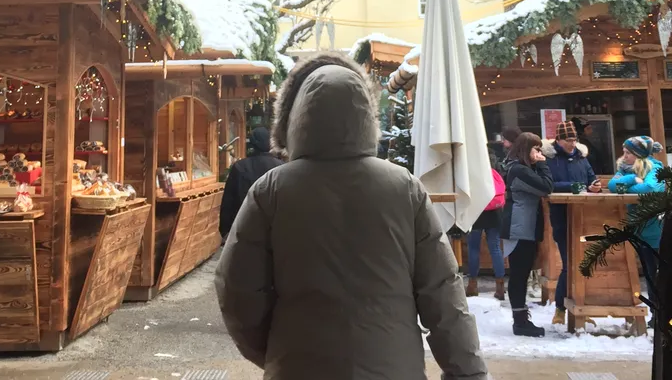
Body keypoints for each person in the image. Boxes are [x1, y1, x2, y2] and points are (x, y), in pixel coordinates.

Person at [216, 55, 486, 379]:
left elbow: (236, 288)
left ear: (295, 119)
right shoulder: (404, 188)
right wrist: (468, 373)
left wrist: (275, 349)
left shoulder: (270, 191)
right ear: (365, 116)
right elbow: (443, 294)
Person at [544, 120, 601, 326]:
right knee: (569, 263)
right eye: (568, 140)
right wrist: (575, 186)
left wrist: (595, 186)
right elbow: (548, 184)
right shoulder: (550, 159)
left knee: (583, 264)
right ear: (558, 140)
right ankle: (560, 308)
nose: (572, 143)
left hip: (584, 216)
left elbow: (591, 178)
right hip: (561, 216)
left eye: (574, 139)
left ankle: (582, 306)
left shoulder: (581, 158)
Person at [497, 131, 554, 337]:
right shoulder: (519, 170)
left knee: (521, 273)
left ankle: (520, 319)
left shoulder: (519, 168)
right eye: (536, 149)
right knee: (519, 274)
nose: (539, 153)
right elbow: (546, 187)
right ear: (525, 149)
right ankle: (520, 321)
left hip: (523, 227)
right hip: (519, 228)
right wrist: (543, 164)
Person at [607, 135, 666, 287]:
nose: (624, 156)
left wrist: (626, 189)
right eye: (624, 152)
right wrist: (633, 179)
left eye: (628, 153)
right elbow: (612, 185)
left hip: (655, 230)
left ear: (638, 154)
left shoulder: (655, 168)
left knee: (657, 275)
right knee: (649, 275)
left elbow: (650, 188)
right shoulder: (625, 169)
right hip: (638, 230)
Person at [218, 126, 281, 239]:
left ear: (252, 143)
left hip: (245, 228)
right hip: (275, 230)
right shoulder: (280, 167)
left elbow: (228, 202)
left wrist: (225, 230)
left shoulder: (240, 167)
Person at [464, 159, 506, 299]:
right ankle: (500, 286)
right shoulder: (493, 169)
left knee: (473, 248)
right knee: (495, 248)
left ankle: (472, 285)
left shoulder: (470, 172)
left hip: (476, 212)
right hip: (494, 212)